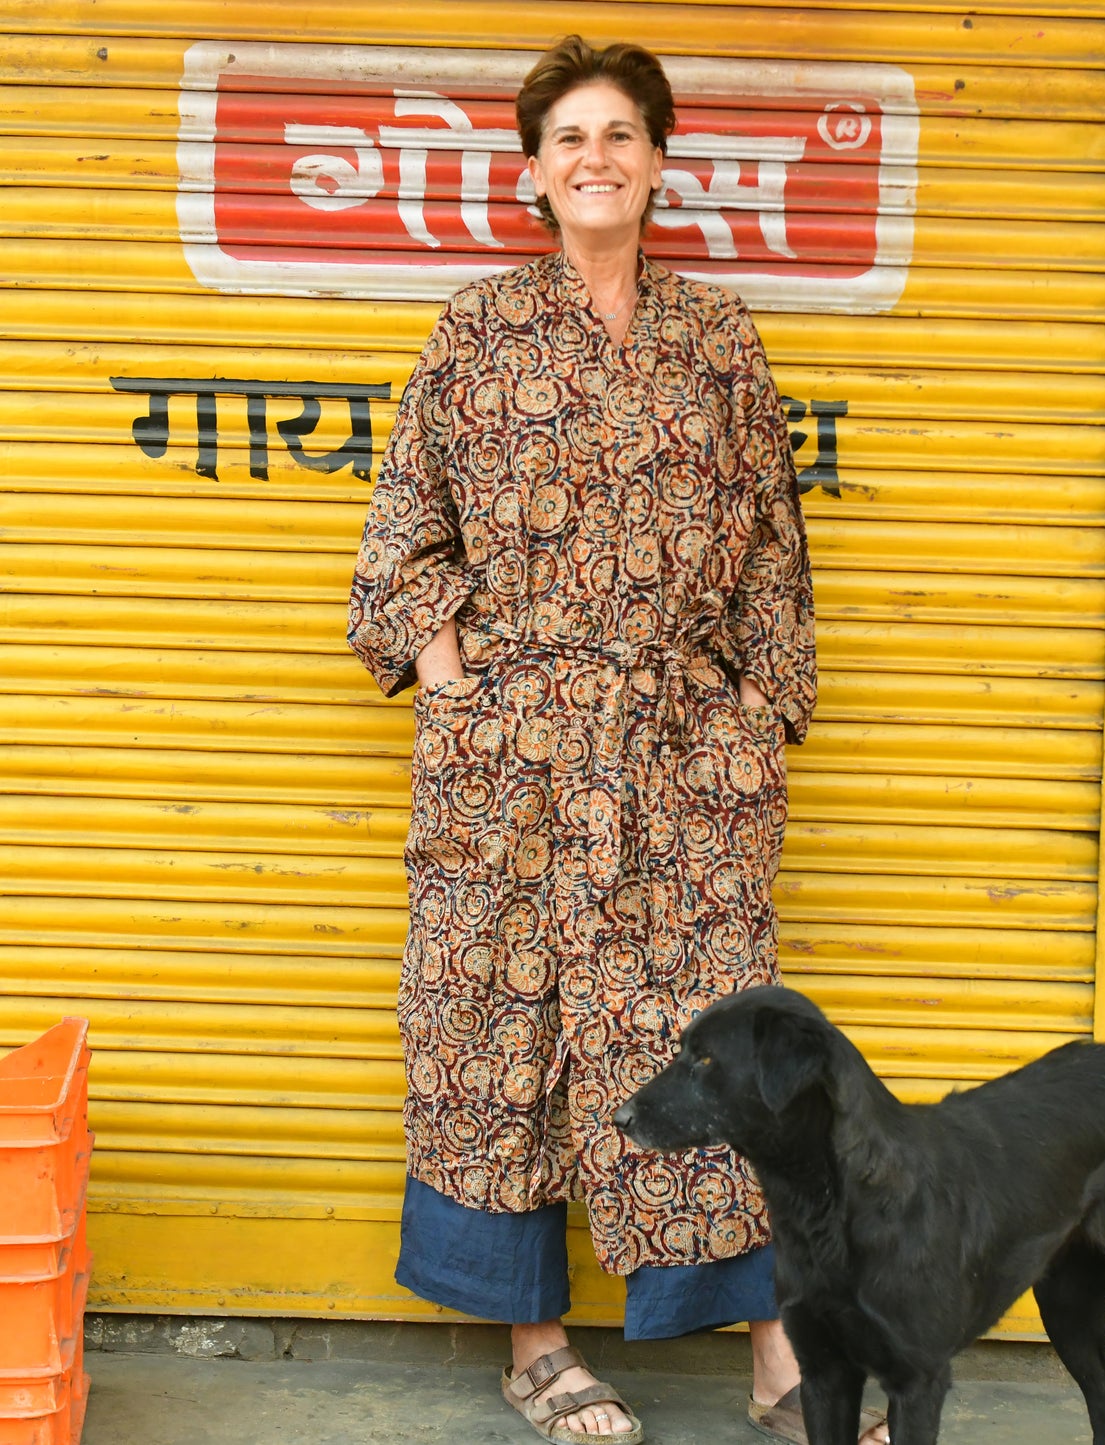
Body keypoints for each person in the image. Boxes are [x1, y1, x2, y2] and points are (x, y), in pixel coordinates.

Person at [348, 34, 887, 1445]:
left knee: (713, 1036)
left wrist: (759, 711)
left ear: (658, 165)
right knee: (503, 1028)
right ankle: (536, 1343)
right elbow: (404, 528)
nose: (596, 158)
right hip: (514, 757)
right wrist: (453, 673)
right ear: (532, 174)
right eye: (569, 137)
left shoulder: (717, 340)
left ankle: (776, 1358)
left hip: (679, 755)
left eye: (621, 135)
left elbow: (774, 545)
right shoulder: (478, 331)